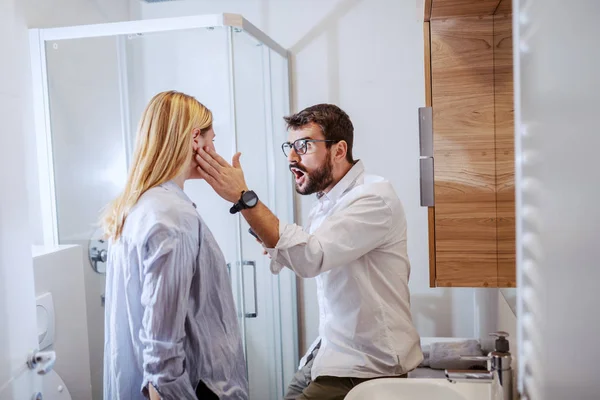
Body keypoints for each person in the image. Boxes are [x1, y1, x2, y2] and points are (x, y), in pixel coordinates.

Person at [195, 103, 423, 400]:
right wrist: (271, 240)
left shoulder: (373, 197)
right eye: (289, 146)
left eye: (303, 146)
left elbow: (310, 257)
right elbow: (305, 251)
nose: (292, 157)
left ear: (339, 150)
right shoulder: (327, 201)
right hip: (331, 352)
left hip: (366, 366)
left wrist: (244, 198)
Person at [101, 91, 248, 400]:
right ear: (196, 139)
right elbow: (162, 358)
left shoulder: (139, 207)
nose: (215, 149)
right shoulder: (174, 217)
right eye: (212, 139)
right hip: (200, 390)